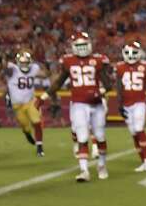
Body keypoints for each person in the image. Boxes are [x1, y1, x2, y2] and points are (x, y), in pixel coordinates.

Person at [48, 31, 114, 182]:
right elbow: (58, 81)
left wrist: (101, 91)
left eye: (85, 44)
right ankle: (84, 170)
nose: (83, 48)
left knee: (100, 136)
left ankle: (102, 165)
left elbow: (108, 84)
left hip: (96, 104)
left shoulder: (97, 60)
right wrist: (46, 95)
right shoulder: (68, 61)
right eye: (79, 45)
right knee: (82, 137)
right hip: (78, 103)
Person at [115, 40, 146, 172]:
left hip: (140, 102)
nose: (131, 55)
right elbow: (119, 87)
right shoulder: (120, 67)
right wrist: (119, 105)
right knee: (134, 133)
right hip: (126, 104)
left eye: (134, 52)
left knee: (139, 129)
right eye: (128, 52)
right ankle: (143, 161)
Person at [5, 50, 46, 157]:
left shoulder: (34, 68)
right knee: (25, 126)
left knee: (37, 122)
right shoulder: (13, 69)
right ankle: (27, 133)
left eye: (26, 62)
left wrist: (45, 68)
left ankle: (39, 147)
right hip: (17, 105)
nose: (24, 65)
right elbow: (5, 69)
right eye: (22, 63)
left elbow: (45, 75)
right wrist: (5, 60)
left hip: (30, 101)